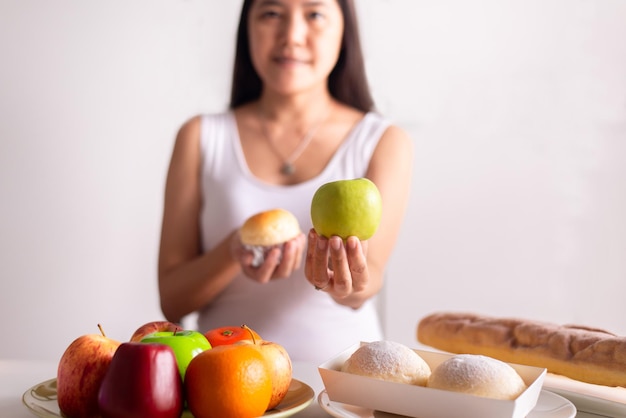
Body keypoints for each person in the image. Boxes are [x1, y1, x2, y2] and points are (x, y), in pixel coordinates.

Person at [158, 0, 413, 363]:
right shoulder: (199, 137)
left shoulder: (383, 140)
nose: (292, 36)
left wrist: (341, 281)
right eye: (272, 13)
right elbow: (172, 300)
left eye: (315, 14)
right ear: (248, 26)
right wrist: (234, 249)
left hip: (346, 386)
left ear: (345, 31)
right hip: (224, 387)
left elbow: (366, 286)